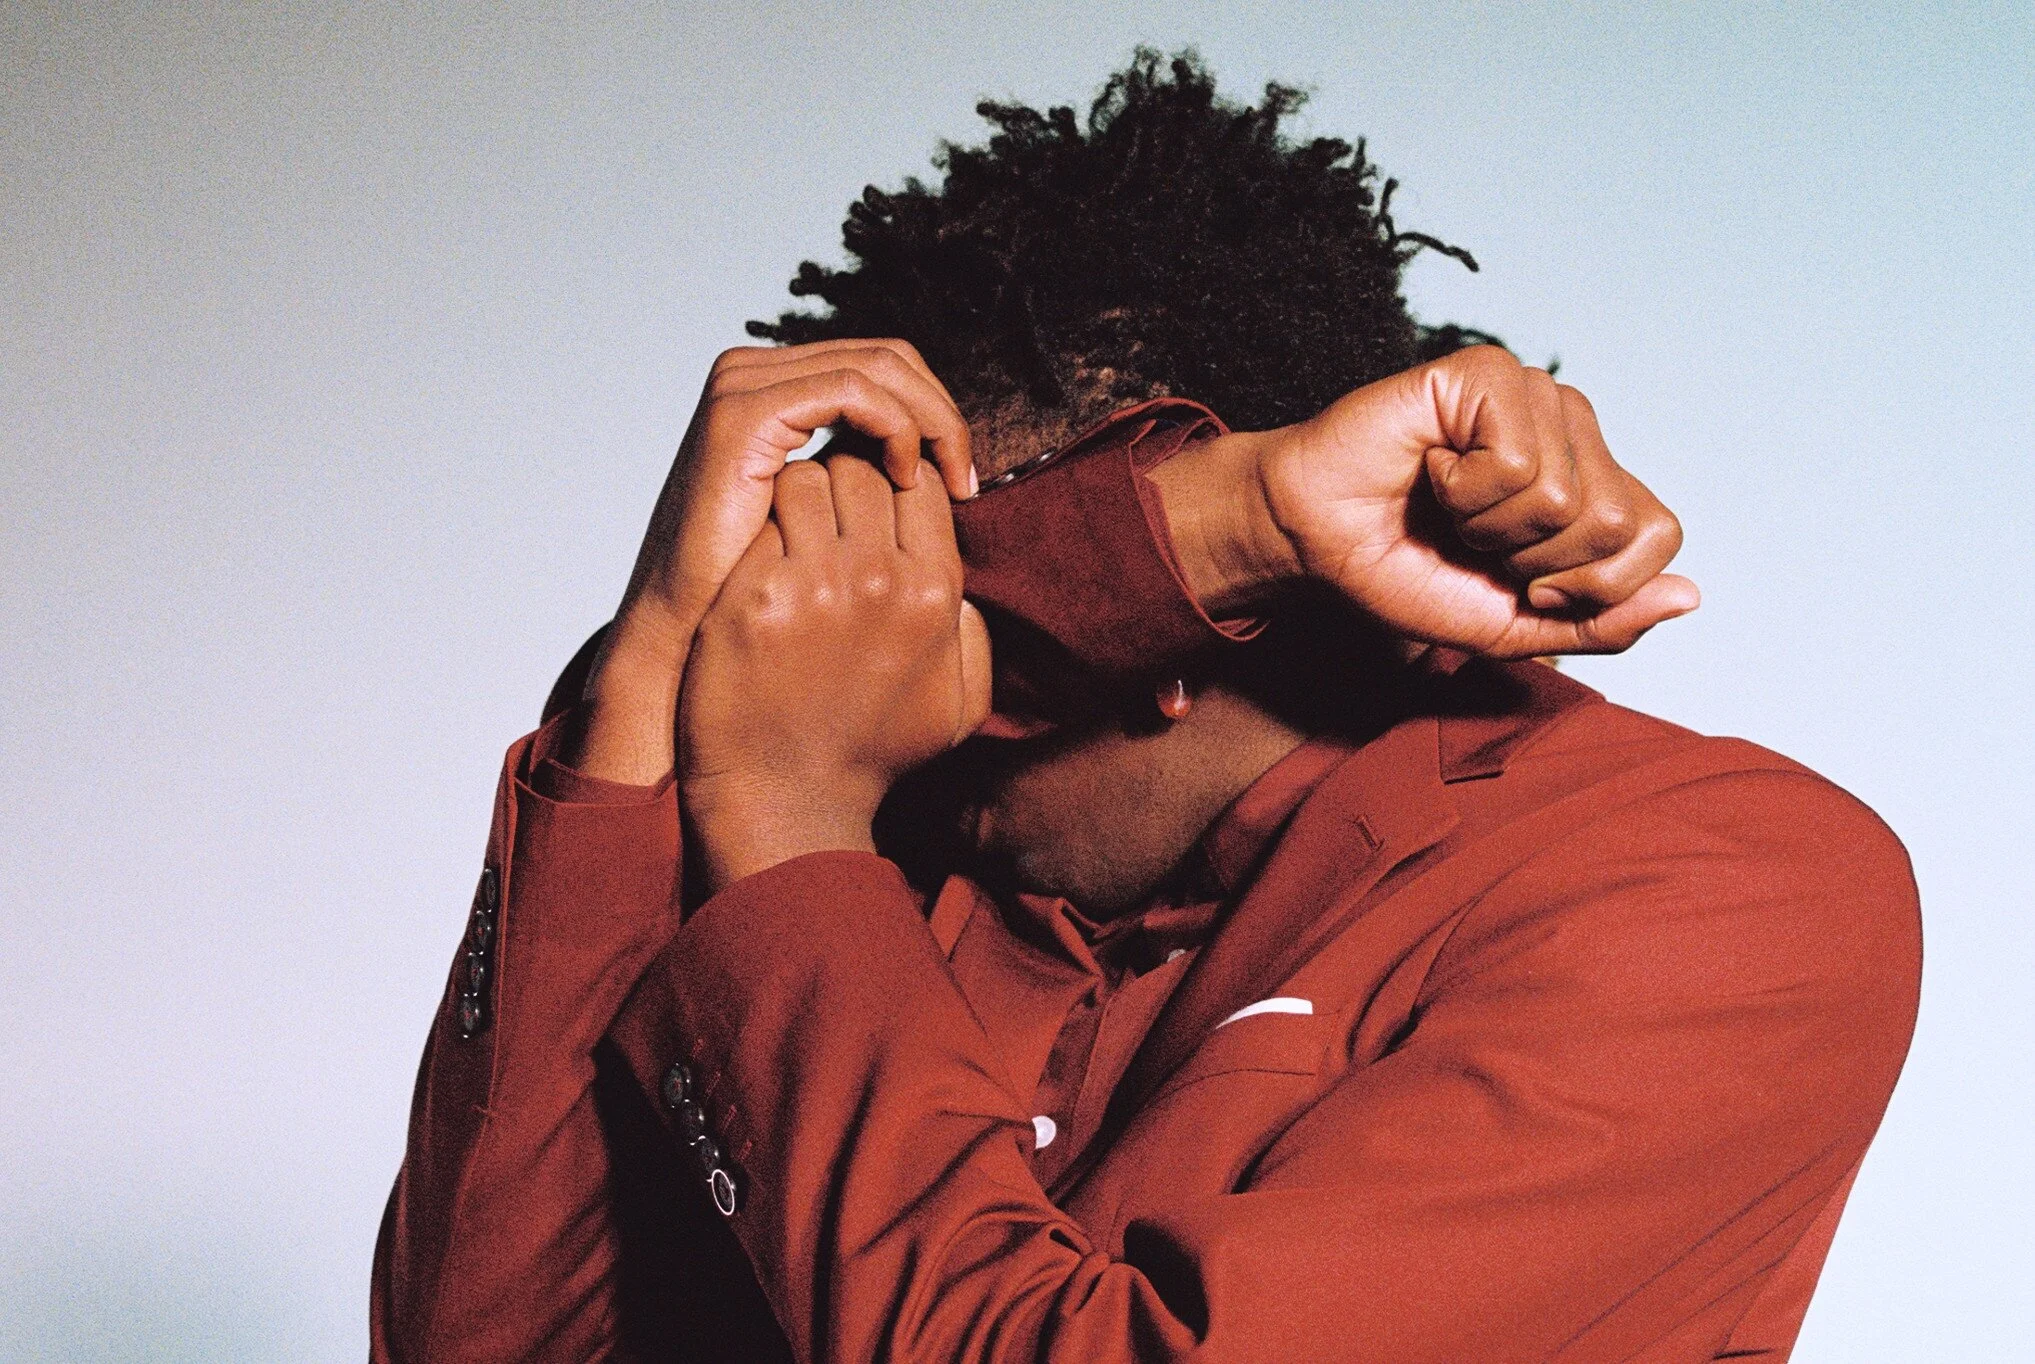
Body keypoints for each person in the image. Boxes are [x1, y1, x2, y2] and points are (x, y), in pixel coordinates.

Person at [371, 53, 1918, 1363]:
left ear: (1173, 647)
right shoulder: (888, 887)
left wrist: (788, 813)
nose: (897, 731)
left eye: (933, 636)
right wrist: (651, 661)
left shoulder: (1714, 879)